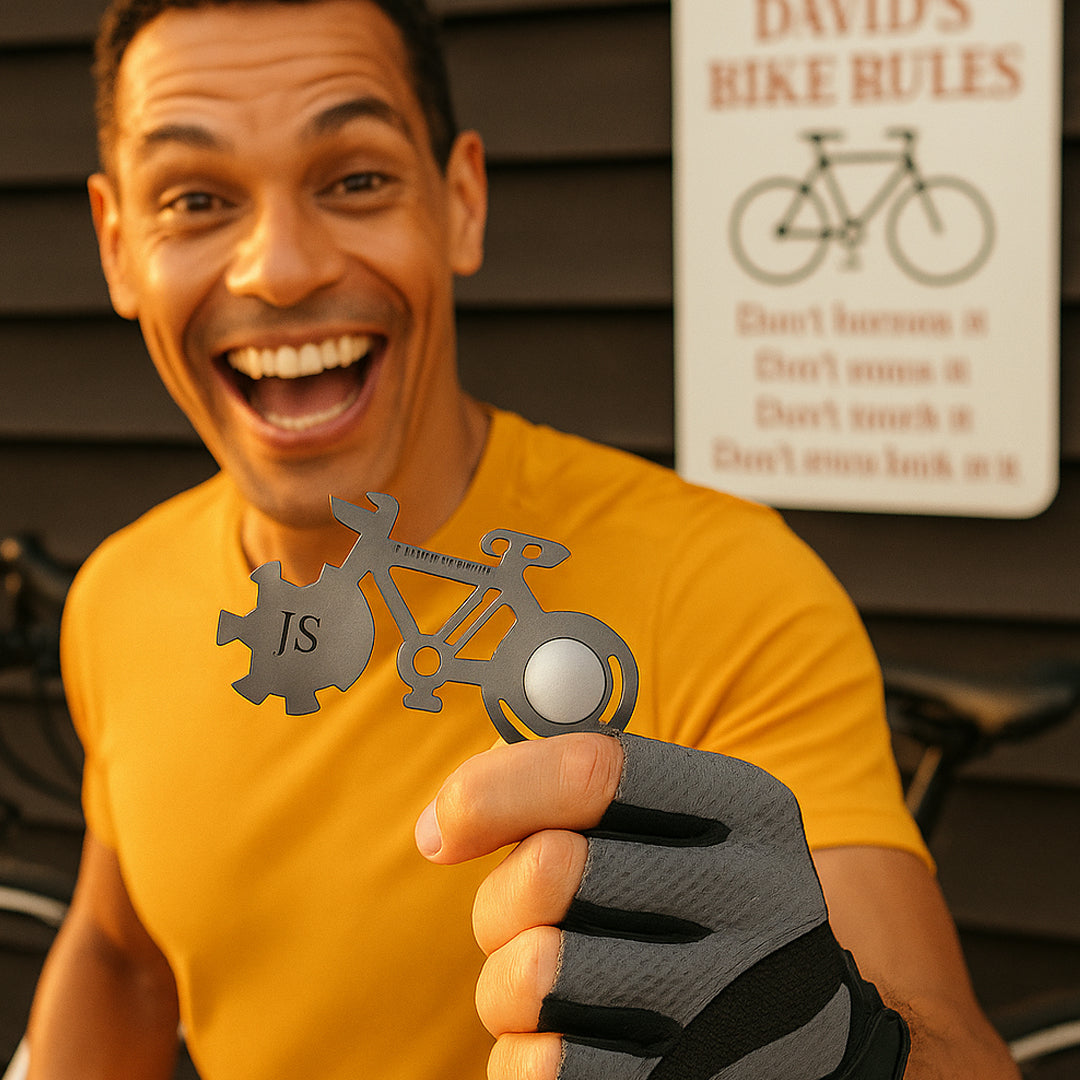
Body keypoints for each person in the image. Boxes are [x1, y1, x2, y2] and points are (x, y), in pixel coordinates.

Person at [23, 0, 1018, 1077]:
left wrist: (848, 1055)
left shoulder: (720, 585)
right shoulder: (118, 594)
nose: (281, 268)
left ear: (460, 202)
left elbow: (953, 1042)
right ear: (118, 247)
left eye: (355, 180)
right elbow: (121, 957)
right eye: (196, 199)